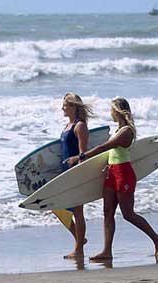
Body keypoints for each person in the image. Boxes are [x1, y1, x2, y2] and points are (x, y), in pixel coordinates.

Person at [66, 97, 158, 260]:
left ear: (117, 111)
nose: (110, 113)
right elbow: (112, 153)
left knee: (128, 214)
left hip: (123, 173)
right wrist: (107, 165)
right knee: (107, 212)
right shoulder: (118, 130)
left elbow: (105, 147)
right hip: (111, 172)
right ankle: (107, 251)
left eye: (111, 109)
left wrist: (80, 157)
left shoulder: (127, 131)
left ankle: (157, 239)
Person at [60, 92, 94, 259]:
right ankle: (80, 240)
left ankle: (79, 249)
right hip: (64, 174)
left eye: (65, 105)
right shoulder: (67, 126)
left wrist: (79, 176)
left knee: (78, 212)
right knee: (56, 206)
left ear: (73, 107)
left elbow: (84, 153)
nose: (62, 107)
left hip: (75, 174)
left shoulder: (79, 126)